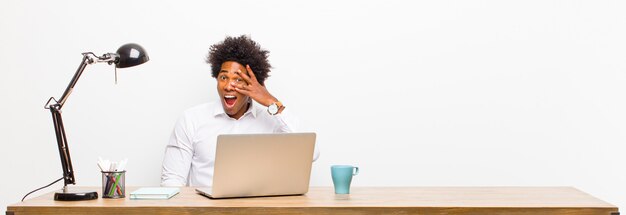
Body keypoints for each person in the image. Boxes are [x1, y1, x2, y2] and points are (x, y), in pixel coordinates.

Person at [161, 35, 318, 187]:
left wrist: (272, 102)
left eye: (238, 79)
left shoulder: (272, 122)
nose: (229, 86)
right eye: (223, 77)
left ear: (252, 85)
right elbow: (172, 180)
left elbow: (311, 154)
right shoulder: (191, 119)